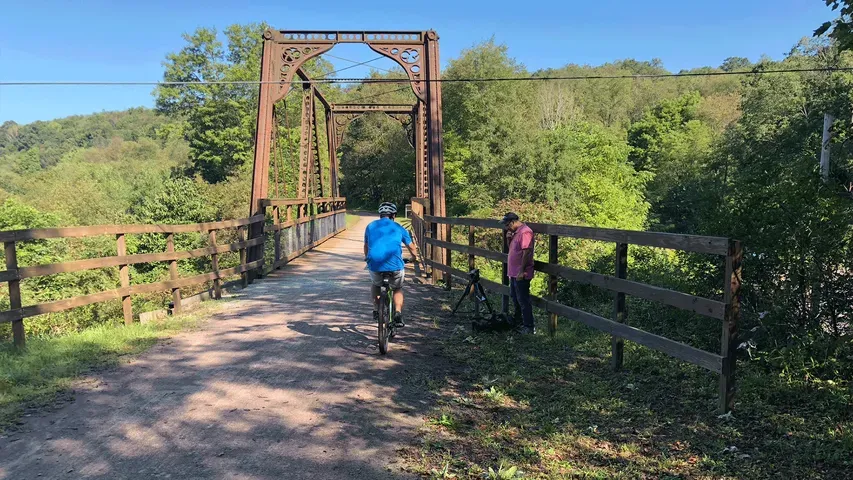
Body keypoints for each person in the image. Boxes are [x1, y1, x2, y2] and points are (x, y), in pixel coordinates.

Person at [364, 202, 421, 327]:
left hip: (375, 264)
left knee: (375, 284)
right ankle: (398, 313)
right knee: (397, 288)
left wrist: (367, 257)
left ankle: (375, 309)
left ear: (380, 215)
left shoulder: (370, 226)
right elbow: (411, 247)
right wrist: (414, 258)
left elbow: (366, 246)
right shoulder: (399, 227)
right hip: (395, 265)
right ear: (393, 215)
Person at [502, 212, 535, 334]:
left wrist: (522, 271)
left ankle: (529, 326)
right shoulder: (515, 233)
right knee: (515, 298)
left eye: (507, 225)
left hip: (521, 273)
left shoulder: (525, 232)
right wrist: (508, 238)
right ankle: (519, 322)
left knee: (523, 300)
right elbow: (512, 249)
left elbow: (527, 252)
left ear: (513, 222)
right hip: (514, 272)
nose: (506, 228)